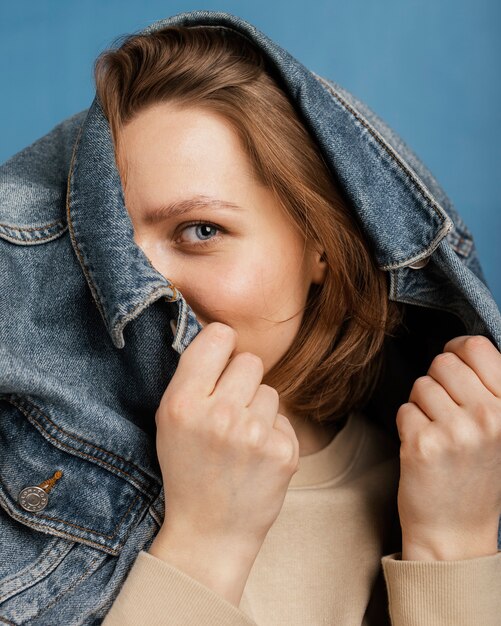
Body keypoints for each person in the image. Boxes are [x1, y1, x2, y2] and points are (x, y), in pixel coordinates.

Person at [0, 10, 500, 626]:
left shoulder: (443, 473)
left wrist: (453, 545)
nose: (142, 287)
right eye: (107, 248)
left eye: (201, 230)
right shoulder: (25, 474)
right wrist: (205, 545)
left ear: (318, 243)